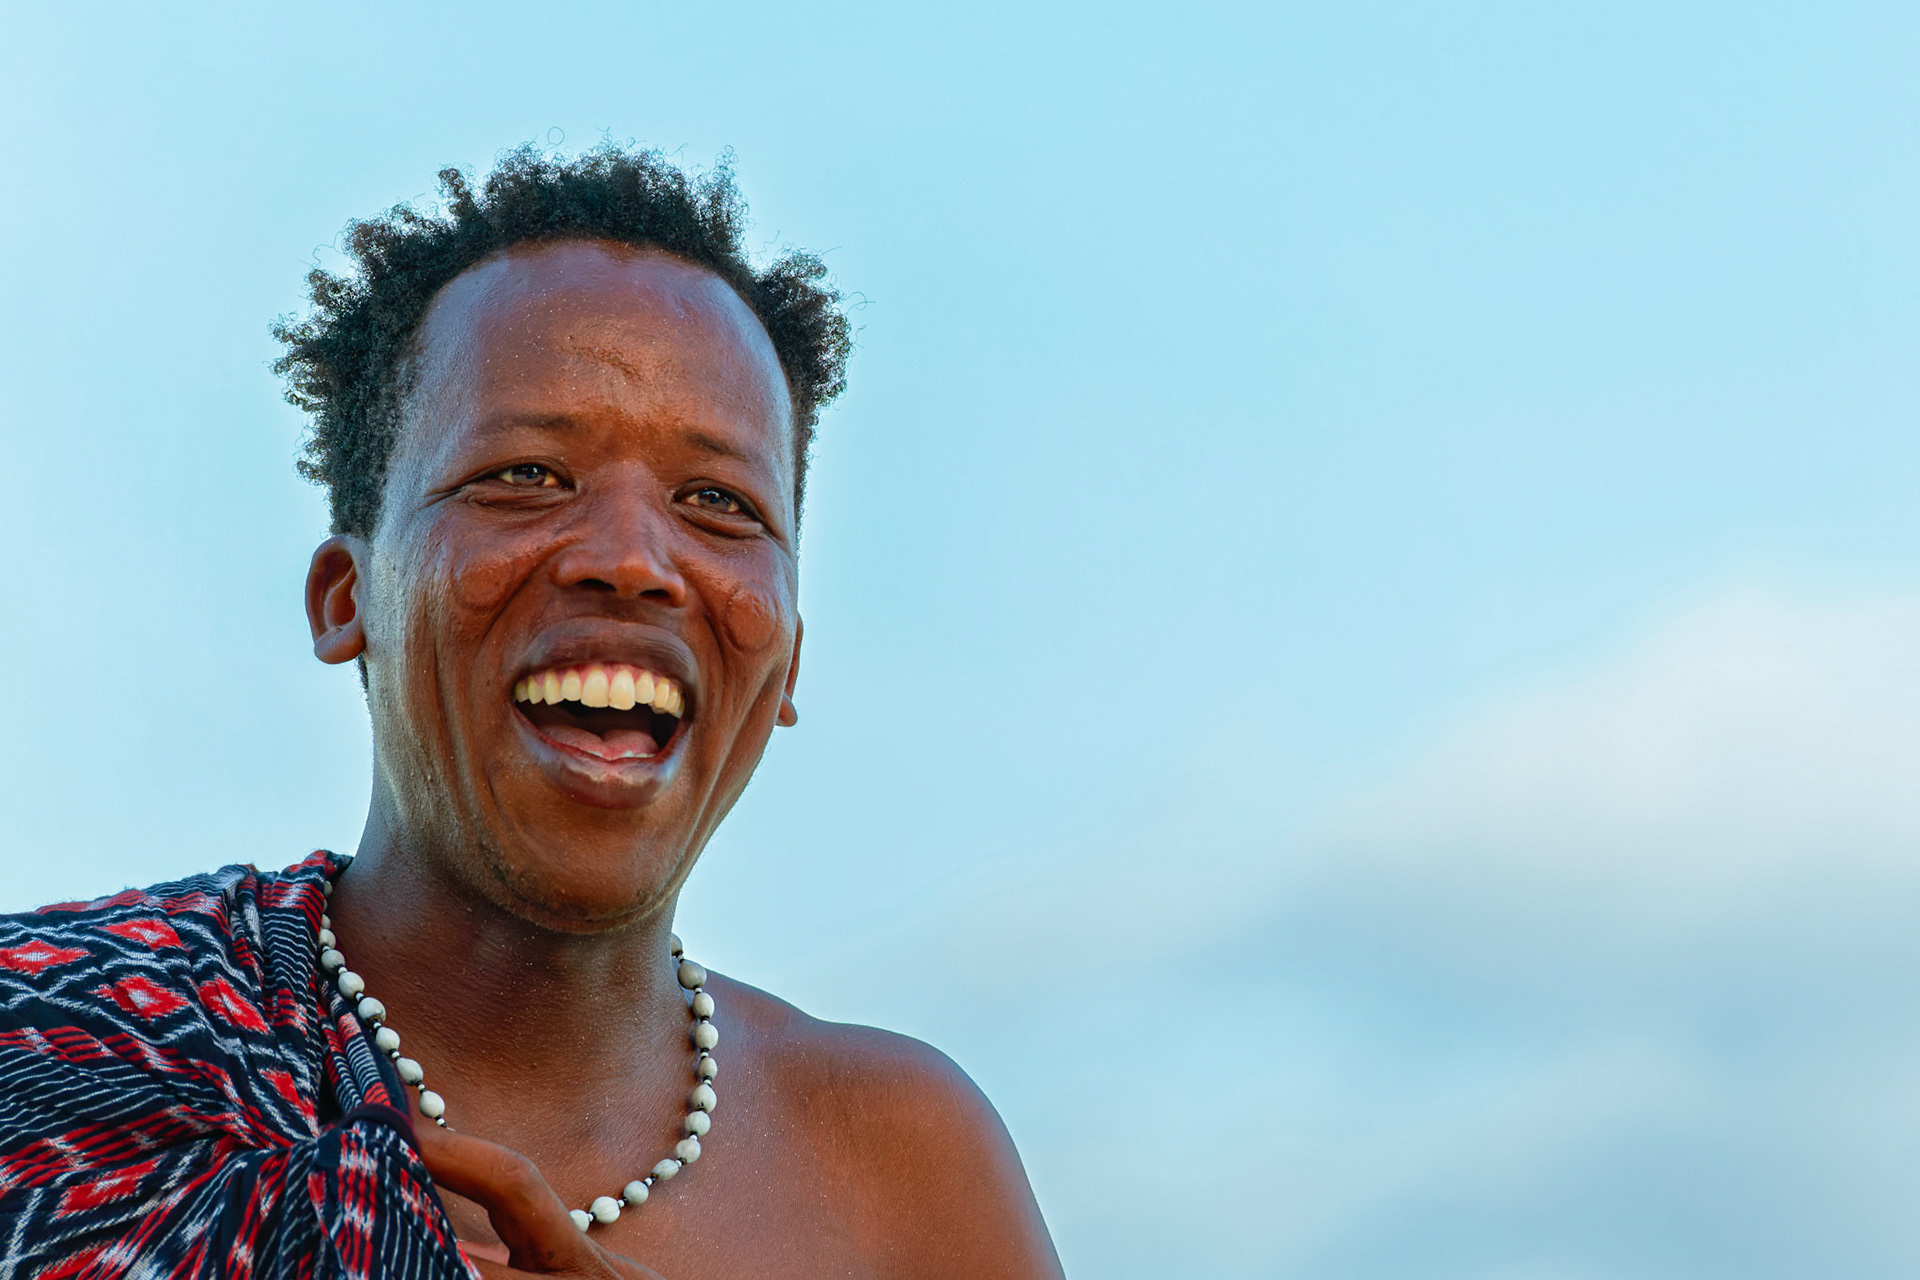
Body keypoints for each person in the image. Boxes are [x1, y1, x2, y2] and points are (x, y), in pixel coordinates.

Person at [0, 145, 1065, 1280]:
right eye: (524, 476)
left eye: (717, 501)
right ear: (348, 598)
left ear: (789, 654)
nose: (630, 558)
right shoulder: (51, 1052)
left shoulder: (905, 1171)